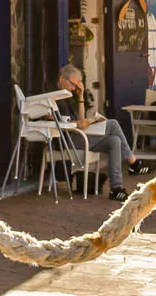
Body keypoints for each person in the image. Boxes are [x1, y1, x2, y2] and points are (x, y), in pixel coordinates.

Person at [56, 64, 143, 199]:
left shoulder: (66, 96)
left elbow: (80, 119)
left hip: (77, 135)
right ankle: (133, 162)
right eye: (73, 84)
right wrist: (77, 124)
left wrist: (80, 97)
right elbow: (56, 121)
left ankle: (116, 189)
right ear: (62, 79)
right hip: (67, 139)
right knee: (113, 124)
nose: (73, 88)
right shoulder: (54, 96)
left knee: (114, 141)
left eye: (75, 86)